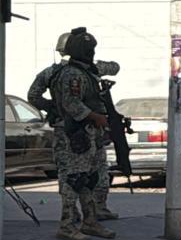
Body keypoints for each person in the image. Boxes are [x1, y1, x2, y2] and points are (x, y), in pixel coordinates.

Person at [29, 32, 122, 222]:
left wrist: (52, 107)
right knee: (73, 174)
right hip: (72, 129)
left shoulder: (79, 69)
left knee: (94, 171)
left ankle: (93, 212)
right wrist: (57, 108)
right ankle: (72, 217)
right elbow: (113, 67)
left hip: (90, 129)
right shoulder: (65, 72)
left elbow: (34, 96)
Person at [49, 27, 116, 240]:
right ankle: (67, 225)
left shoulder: (87, 71)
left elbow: (114, 68)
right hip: (75, 132)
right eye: (88, 49)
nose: (91, 53)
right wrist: (95, 117)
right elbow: (71, 103)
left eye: (92, 48)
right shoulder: (71, 74)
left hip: (90, 132)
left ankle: (90, 221)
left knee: (90, 178)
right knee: (74, 178)